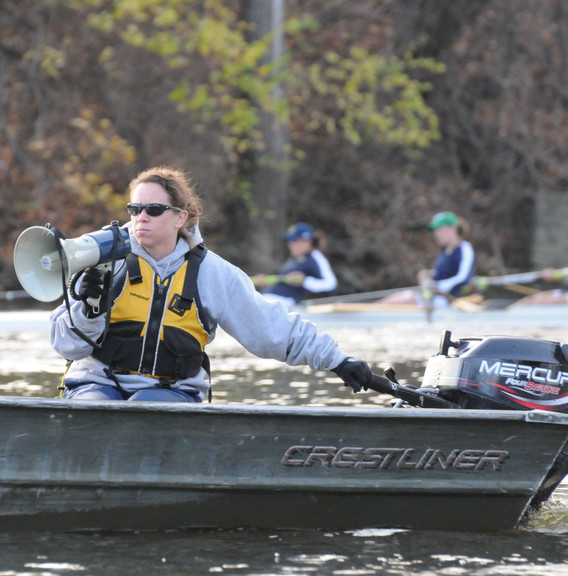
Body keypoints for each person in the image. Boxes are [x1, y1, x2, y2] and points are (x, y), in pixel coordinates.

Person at [48, 166, 372, 402]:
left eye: (154, 209)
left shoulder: (213, 274)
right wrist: (89, 309)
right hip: (96, 384)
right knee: (96, 408)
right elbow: (68, 346)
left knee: (147, 409)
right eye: (135, 209)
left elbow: (270, 329)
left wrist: (337, 361)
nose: (141, 217)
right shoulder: (103, 261)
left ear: (181, 218)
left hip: (169, 392)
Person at [380, 210, 475, 306]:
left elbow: (463, 277)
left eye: (440, 229)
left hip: (446, 299)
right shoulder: (444, 250)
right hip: (431, 296)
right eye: (436, 230)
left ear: (453, 229)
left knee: (390, 304)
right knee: (387, 301)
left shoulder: (464, 248)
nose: (436, 234)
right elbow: (441, 274)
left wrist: (437, 287)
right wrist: (427, 274)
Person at [255, 222, 338, 307]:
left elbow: (331, 285)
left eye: (295, 241)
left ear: (307, 241)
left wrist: (304, 281)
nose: (291, 245)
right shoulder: (293, 259)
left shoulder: (315, 256)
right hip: (268, 299)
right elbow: (283, 281)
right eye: (290, 242)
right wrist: (266, 283)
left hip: (284, 304)